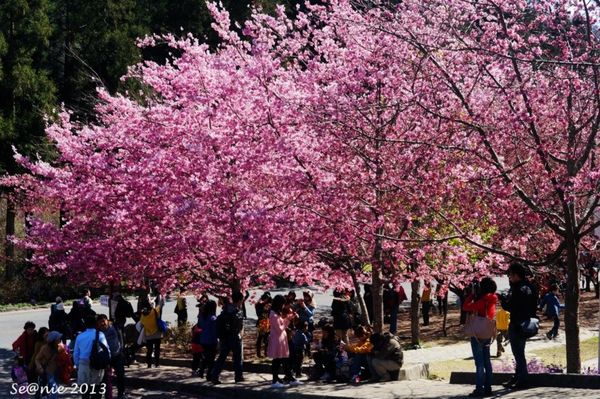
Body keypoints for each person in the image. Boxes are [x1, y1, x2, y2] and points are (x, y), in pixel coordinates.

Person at [501, 262, 539, 390]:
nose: (509, 277)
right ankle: (518, 377)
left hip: (517, 324)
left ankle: (522, 380)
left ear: (516, 275)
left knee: (518, 354)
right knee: (519, 352)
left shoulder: (518, 289)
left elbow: (510, 306)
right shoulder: (531, 287)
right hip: (527, 323)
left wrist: (502, 300)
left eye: (510, 275)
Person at [462, 277, 498, 397]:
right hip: (487, 332)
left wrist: (472, 295)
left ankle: (479, 389)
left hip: (477, 333)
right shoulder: (492, 299)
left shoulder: (482, 301)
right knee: (487, 361)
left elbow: (466, 307)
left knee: (480, 363)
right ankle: (488, 388)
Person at [211, 290, 245, 384]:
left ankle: (214, 375)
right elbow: (239, 326)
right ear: (240, 300)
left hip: (224, 337)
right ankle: (238, 376)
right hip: (234, 336)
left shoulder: (225, 309)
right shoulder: (238, 311)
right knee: (237, 357)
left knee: (222, 357)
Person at [267, 294, 301, 388]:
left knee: (284, 360)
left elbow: (281, 322)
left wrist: (288, 318)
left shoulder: (276, 313)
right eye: (282, 304)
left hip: (281, 339)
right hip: (277, 339)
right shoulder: (273, 314)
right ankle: (275, 380)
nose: (283, 306)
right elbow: (280, 328)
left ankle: (290, 378)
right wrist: (288, 320)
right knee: (277, 360)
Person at [74, 316, 110, 399]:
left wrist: (77, 365)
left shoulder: (80, 337)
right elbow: (106, 350)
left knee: (85, 391)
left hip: (83, 364)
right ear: (95, 324)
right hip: (97, 364)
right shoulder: (100, 335)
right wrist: (107, 362)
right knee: (97, 390)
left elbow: (76, 353)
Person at [97, 314, 126, 399]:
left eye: (103, 321)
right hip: (106, 359)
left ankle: (121, 394)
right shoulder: (98, 332)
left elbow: (121, 338)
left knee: (120, 376)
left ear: (107, 321)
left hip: (117, 356)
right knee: (105, 379)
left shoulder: (114, 327)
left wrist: (121, 350)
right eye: (100, 322)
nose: (102, 323)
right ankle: (107, 396)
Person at [35, 331, 71, 399]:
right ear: (53, 340)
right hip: (49, 372)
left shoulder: (61, 347)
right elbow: (37, 359)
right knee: (54, 389)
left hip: (58, 372)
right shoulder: (44, 348)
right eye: (58, 338)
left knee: (54, 389)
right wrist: (40, 368)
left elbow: (66, 359)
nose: (60, 340)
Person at [193, 300, 218, 379]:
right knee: (211, 358)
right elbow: (215, 330)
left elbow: (199, 326)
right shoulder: (213, 318)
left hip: (203, 340)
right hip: (211, 340)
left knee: (206, 357)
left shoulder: (202, 317)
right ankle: (208, 374)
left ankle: (202, 371)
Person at [139, 303, 163, 368]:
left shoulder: (142, 316)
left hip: (148, 335)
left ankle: (149, 364)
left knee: (149, 350)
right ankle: (157, 364)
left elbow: (141, 324)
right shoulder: (154, 311)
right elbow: (160, 305)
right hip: (157, 334)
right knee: (157, 349)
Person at [255, 292, 272, 358]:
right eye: (266, 298)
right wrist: (264, 309)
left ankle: (266, 352)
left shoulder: (270, 304)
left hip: (267, 322)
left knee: (267, 338)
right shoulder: (259, 304)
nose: (267, 300)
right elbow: (259, 314)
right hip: (262, 322)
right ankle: (259, 353)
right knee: (260, 338)